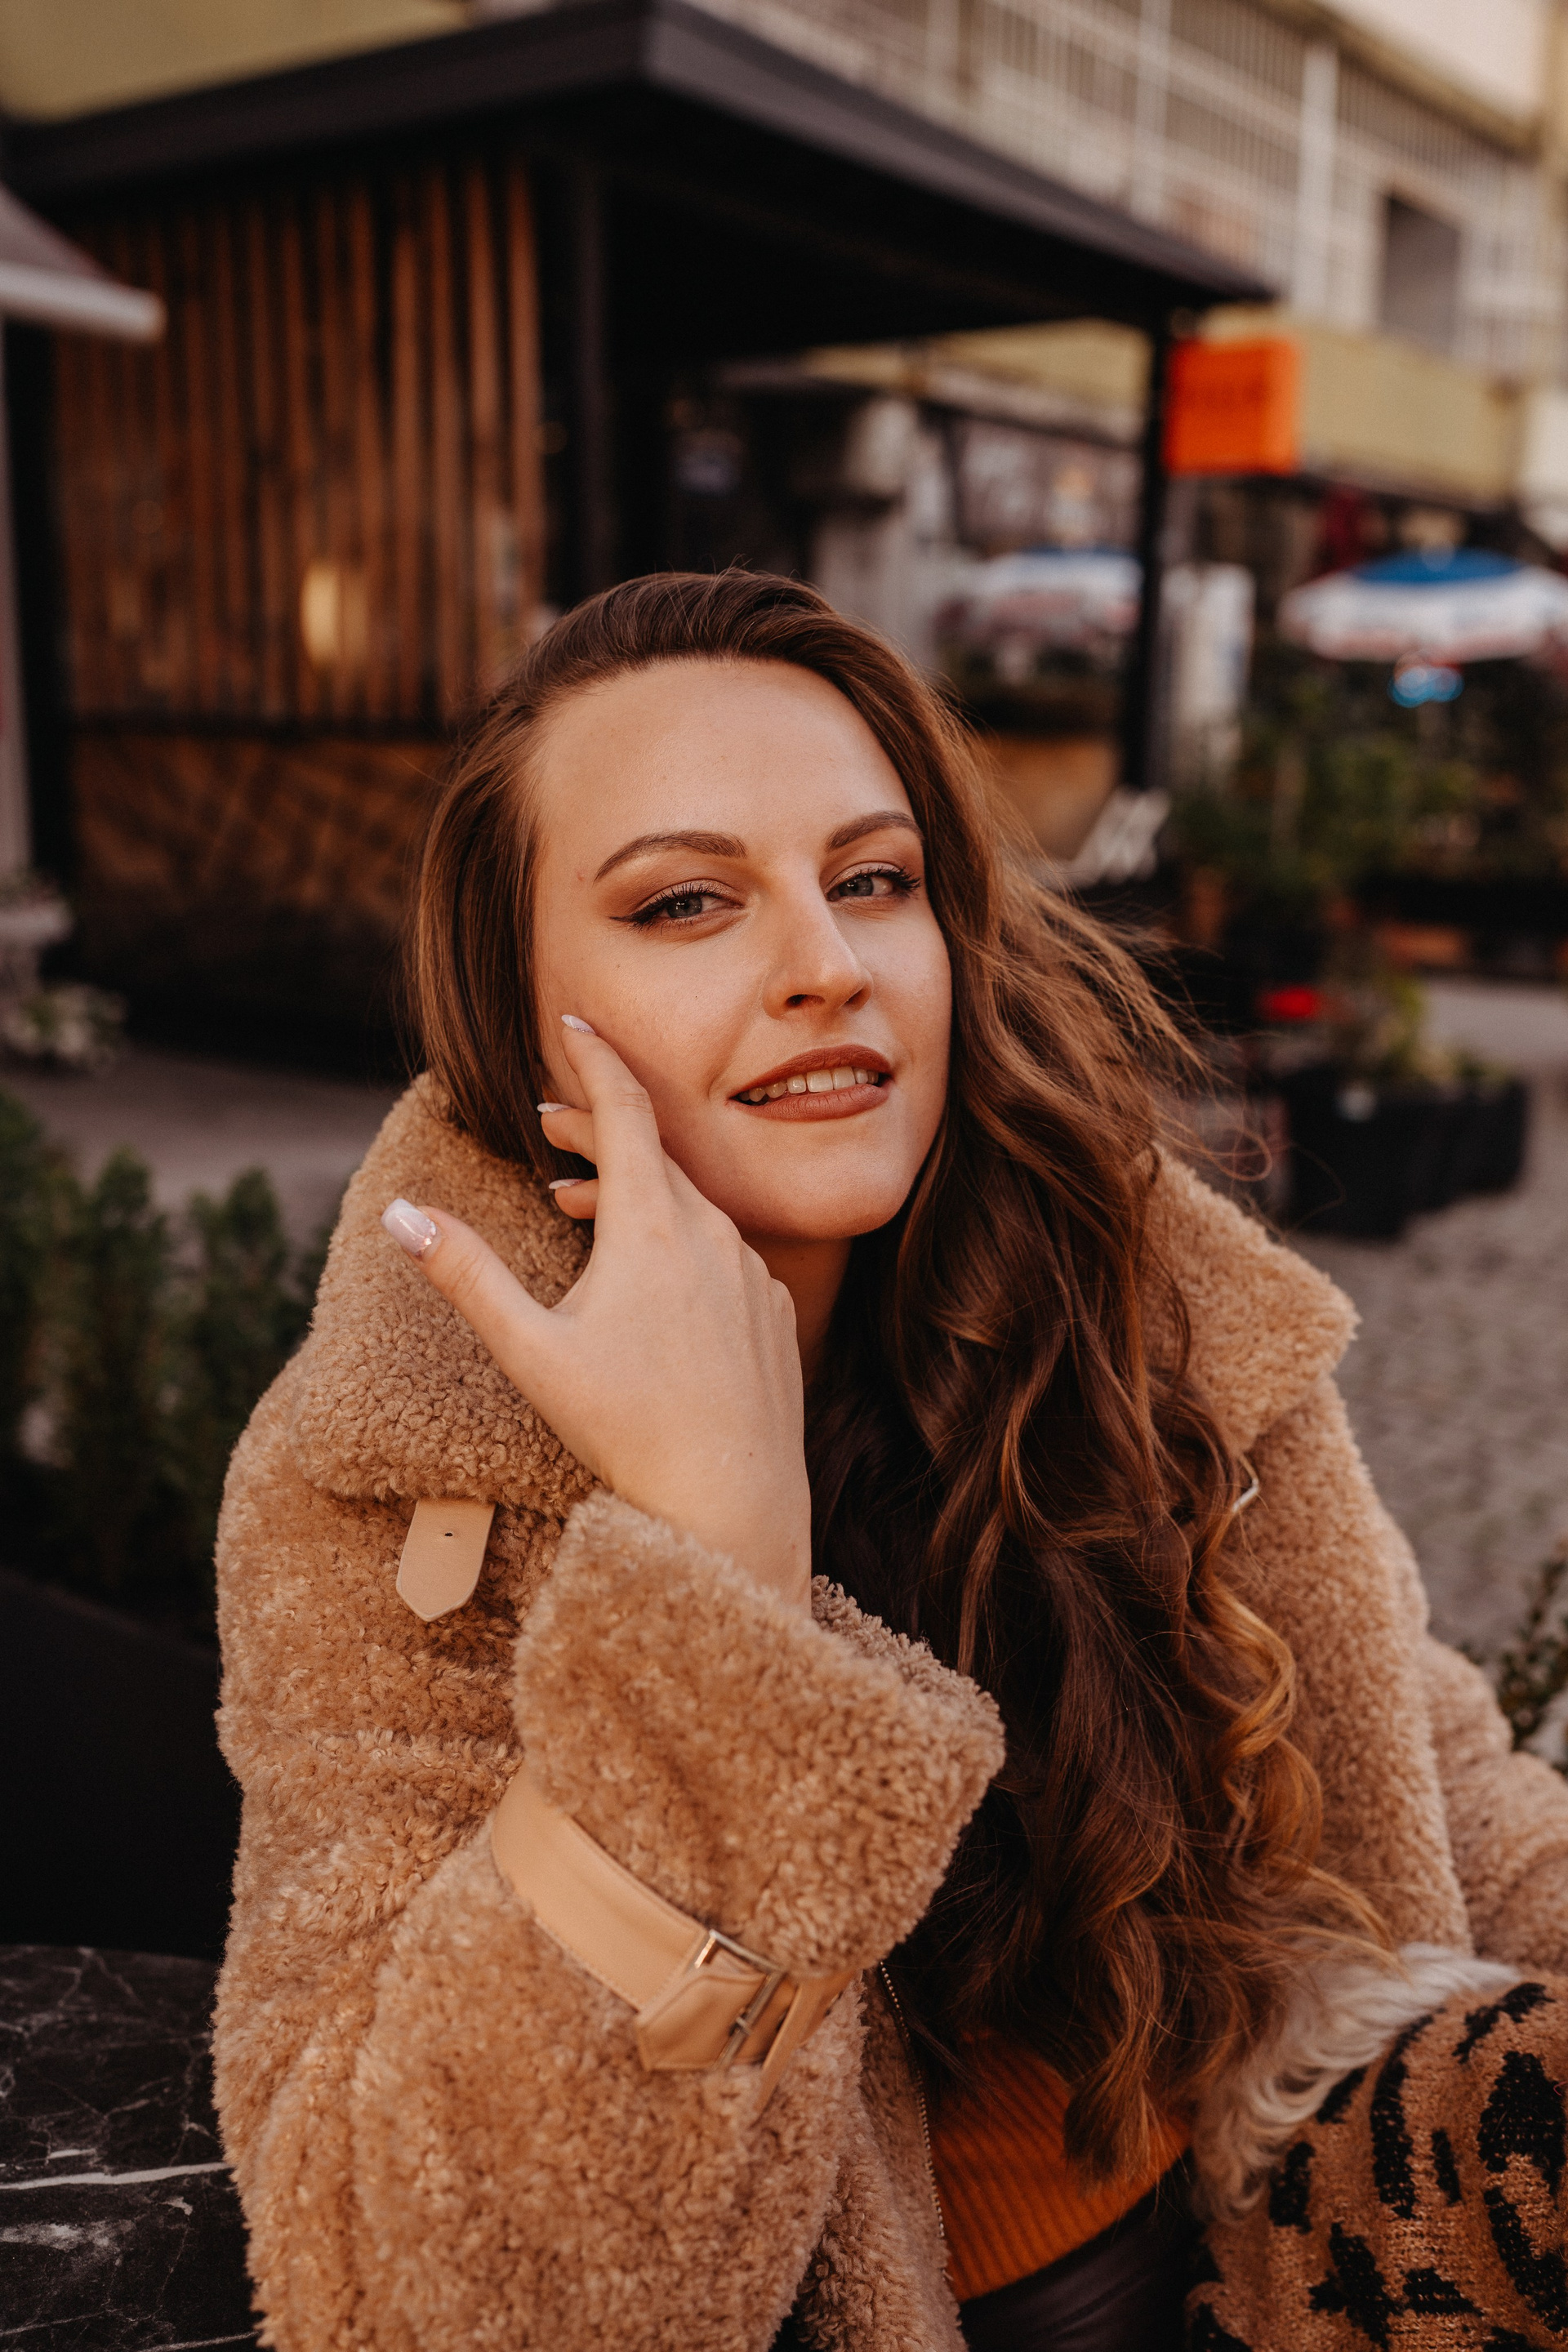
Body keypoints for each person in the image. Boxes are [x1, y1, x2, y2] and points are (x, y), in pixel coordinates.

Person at [212, 571, 1568, 2352]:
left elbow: (1426, 1772)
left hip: (1288, 2258)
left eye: (873, 881)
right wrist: (714, 1571)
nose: (828, 966)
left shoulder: (1123, 1297)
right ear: (512, 1002)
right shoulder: (392, 1487)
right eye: (685, 902)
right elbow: (438, 2294)